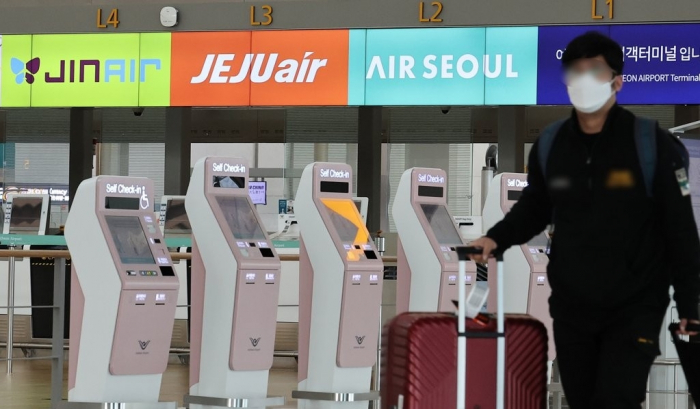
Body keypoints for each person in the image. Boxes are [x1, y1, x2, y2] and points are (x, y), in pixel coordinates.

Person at [469, 31, 700, 409]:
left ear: (617, 81)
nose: (585, 79)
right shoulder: (552, 143)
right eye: (576, 70)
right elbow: (535, 206)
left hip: (635, 305)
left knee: (615, 399)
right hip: (573, 305)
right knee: (582, 400)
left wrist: (691, 306)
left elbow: (680, 230)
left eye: (595, 70)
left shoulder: (650, 144)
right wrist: (495, 240)